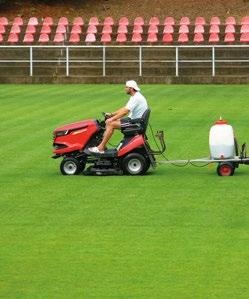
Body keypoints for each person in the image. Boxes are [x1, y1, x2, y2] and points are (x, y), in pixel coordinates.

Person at [89, 80, 148, 154]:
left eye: (126, 87)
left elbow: (125, 112)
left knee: (111, 124)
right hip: (134, 120)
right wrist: (111, 114)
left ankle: (100, 148)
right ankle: (102, 145)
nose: (125, 89)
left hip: (135, 124)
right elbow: (124, 108)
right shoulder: (135, 96)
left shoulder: (136, 98)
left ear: (131, 89)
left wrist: (112, 119)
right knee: (109, 122)